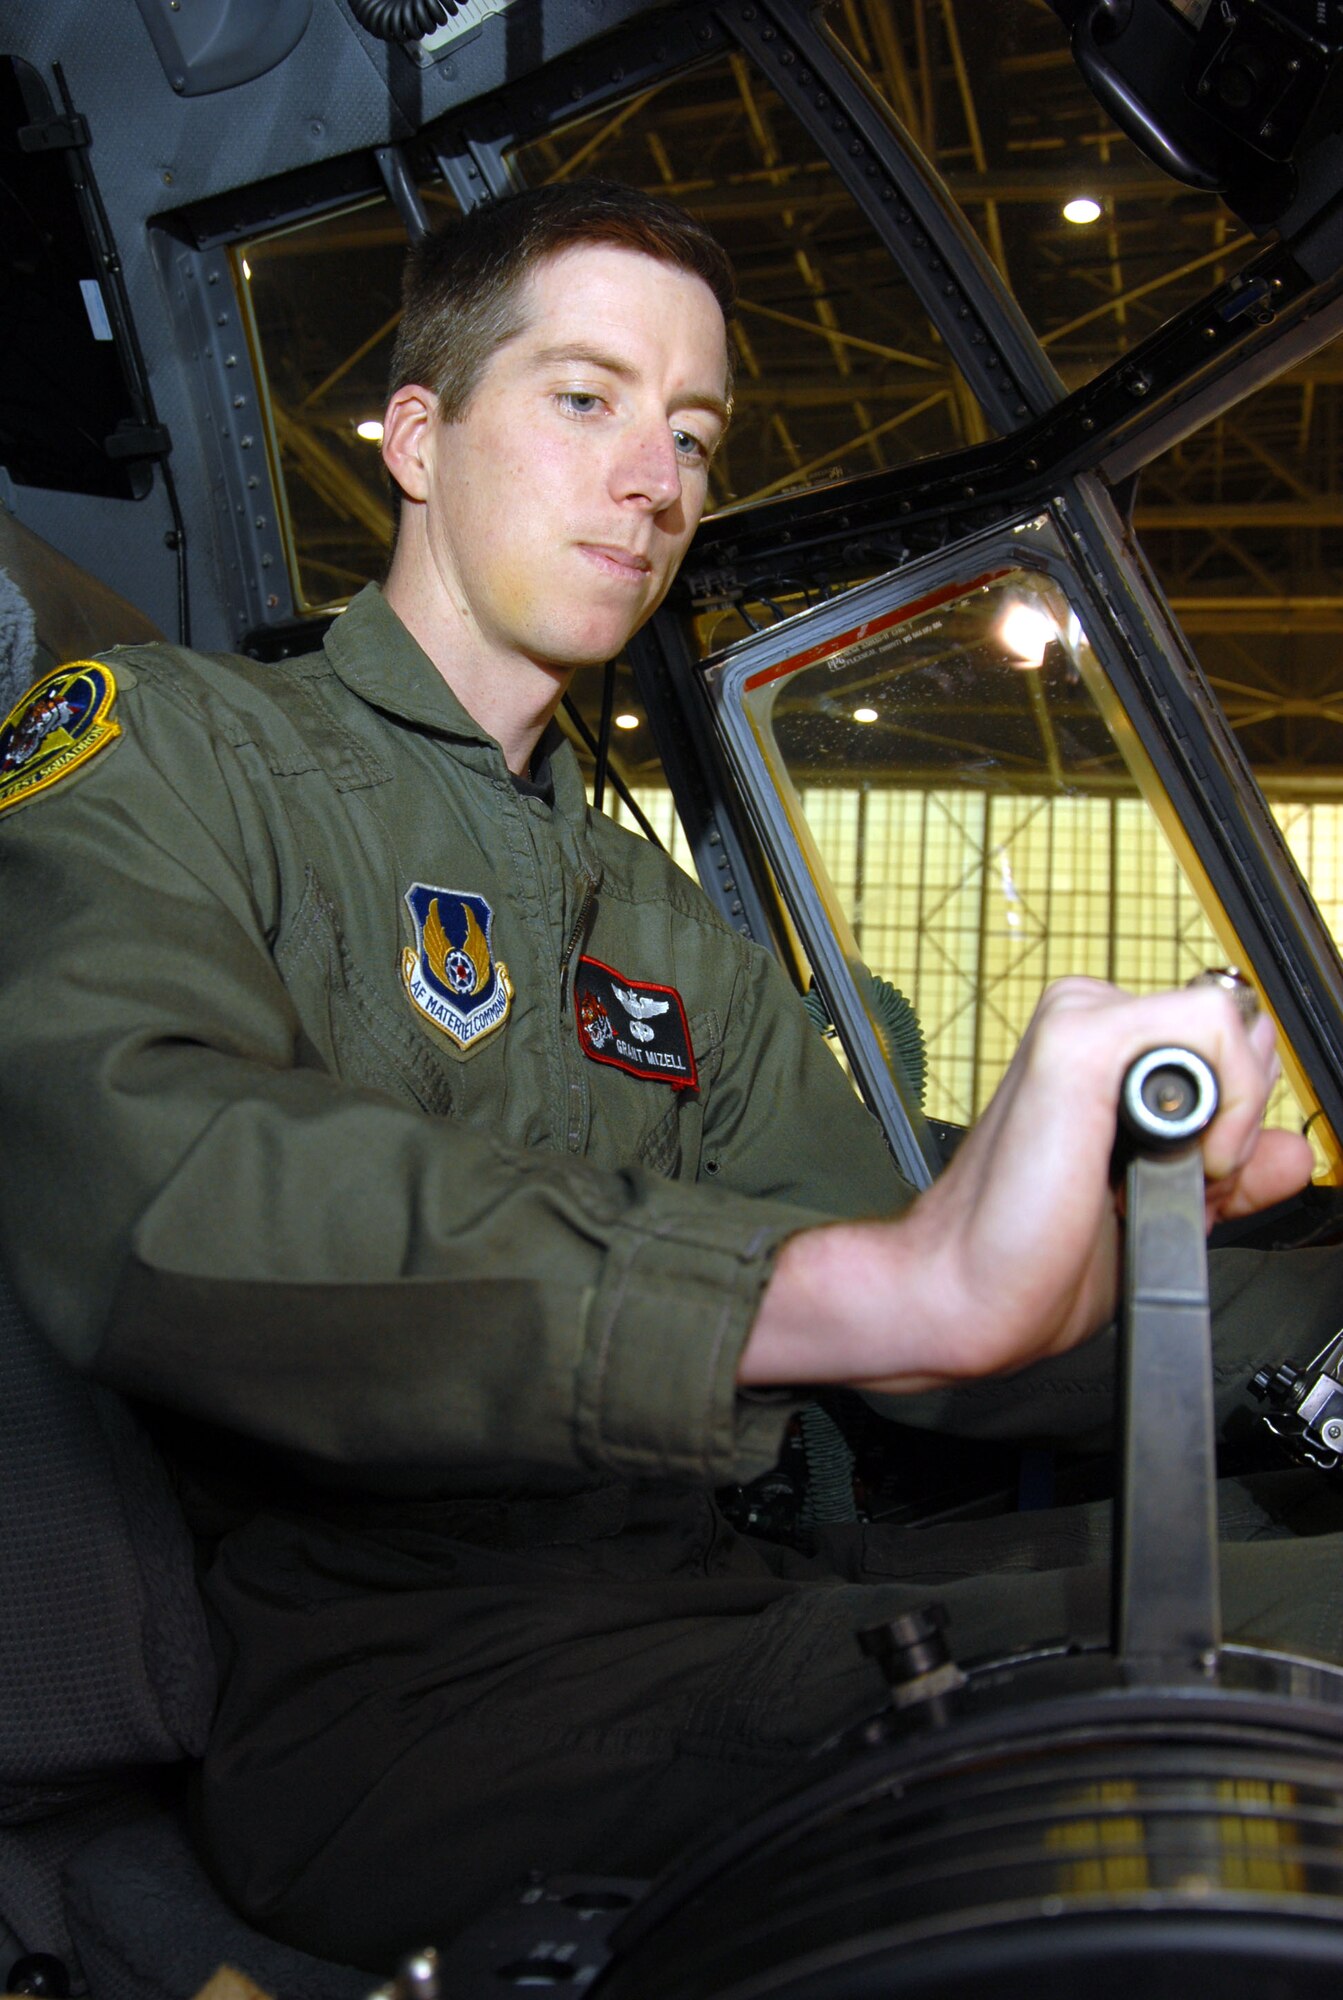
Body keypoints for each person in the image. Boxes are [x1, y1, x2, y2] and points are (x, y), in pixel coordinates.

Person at [0, 179, 1336, 1974]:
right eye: (585, 398)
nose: (657, 480)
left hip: (708, 1603)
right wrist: (870, 1286)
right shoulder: (177, 751)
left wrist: (1290, 1312)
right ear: (416, 433)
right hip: (417, 1711)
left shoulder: (650, 915)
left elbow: (928, 1260)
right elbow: (167, 1185)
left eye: (693, 431)